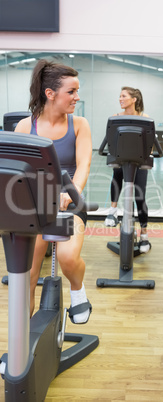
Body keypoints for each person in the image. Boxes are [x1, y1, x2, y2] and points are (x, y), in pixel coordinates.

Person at [15, 59, 92, 324]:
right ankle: (22, 343)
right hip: (36, 206)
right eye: (71, 92)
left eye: (77, 91)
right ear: (50, 94)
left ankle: (77, 288)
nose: (76, 97)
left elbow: (84, 164)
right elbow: (18, 173)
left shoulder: (79, 124)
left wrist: (72, 191)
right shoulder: (25, 127)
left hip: (71, 202)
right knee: (27, 275)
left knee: (68, 257)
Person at [104, 86, 151, 253]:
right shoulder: (115, 118)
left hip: (139, 163)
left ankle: (144, 235)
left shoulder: (145, 118)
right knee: (116, 172)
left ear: (134, 99)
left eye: (123, 96)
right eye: (119, 96)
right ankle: (113, 211)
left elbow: (150, 146)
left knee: (140, 197)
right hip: (121, 160)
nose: (120, 99)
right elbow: (110, 143)